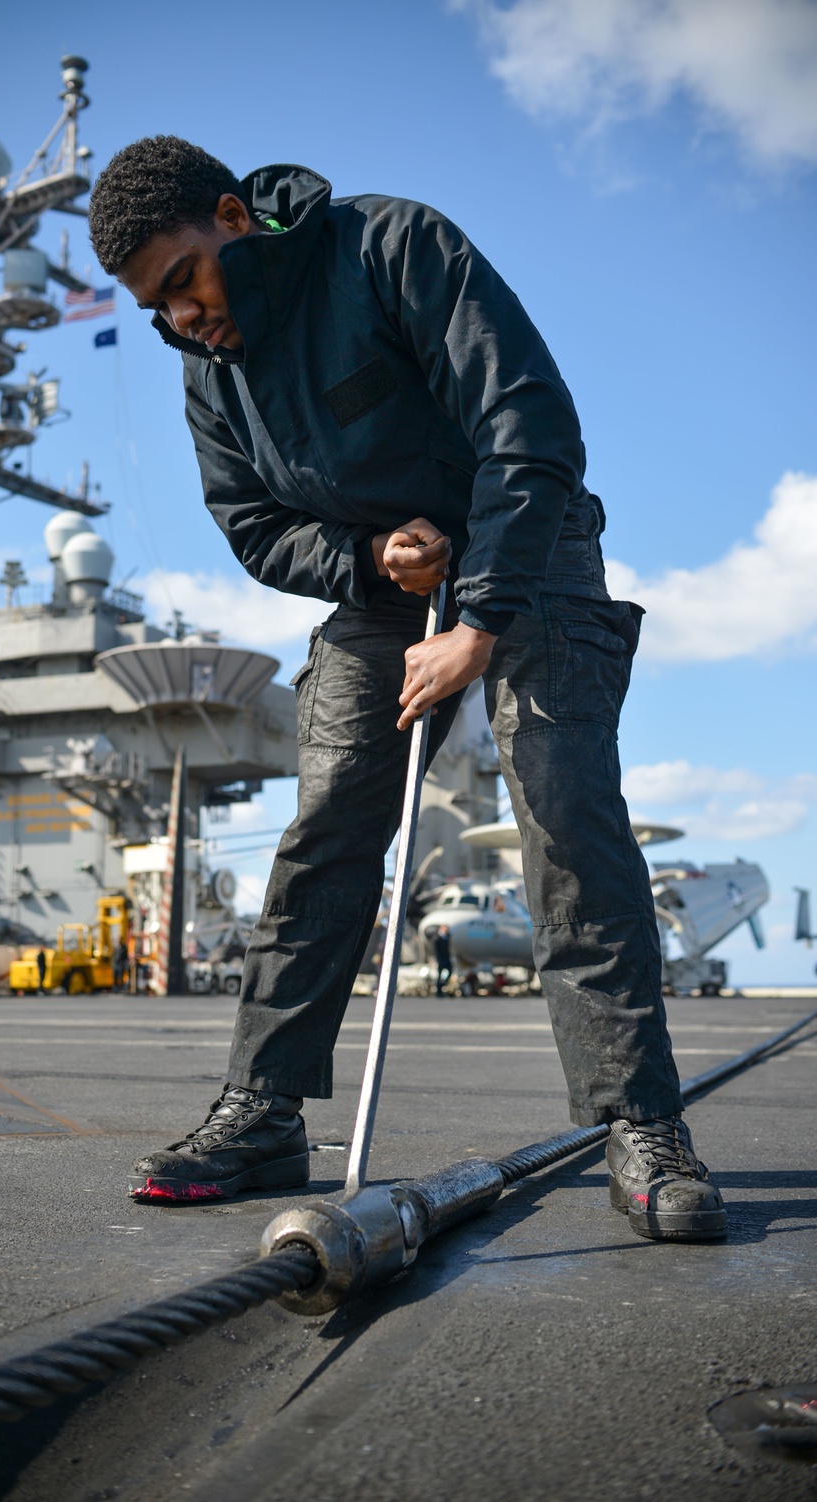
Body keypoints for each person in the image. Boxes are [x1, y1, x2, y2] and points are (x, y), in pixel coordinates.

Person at [88, 138, 726, 1243]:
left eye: (183, 284)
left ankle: (641, 1116)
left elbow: (529, 424)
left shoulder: (390, 245)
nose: (183, 321)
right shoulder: (208, 367)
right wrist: (372, 556)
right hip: (382, 583)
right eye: (157, 311)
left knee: (565, 804)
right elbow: (251, 524)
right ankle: (264, 1110)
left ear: (233, 218)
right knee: (329, 820)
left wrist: (479, 617)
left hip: (533, 548)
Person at [434, 926, 452, 997]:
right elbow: (436, 950)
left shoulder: (446, 937)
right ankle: (439, 990)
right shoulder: (437, 938)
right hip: (441, 959)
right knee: (440, 974)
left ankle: (443, 984)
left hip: (446, 958)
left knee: (449, 971)